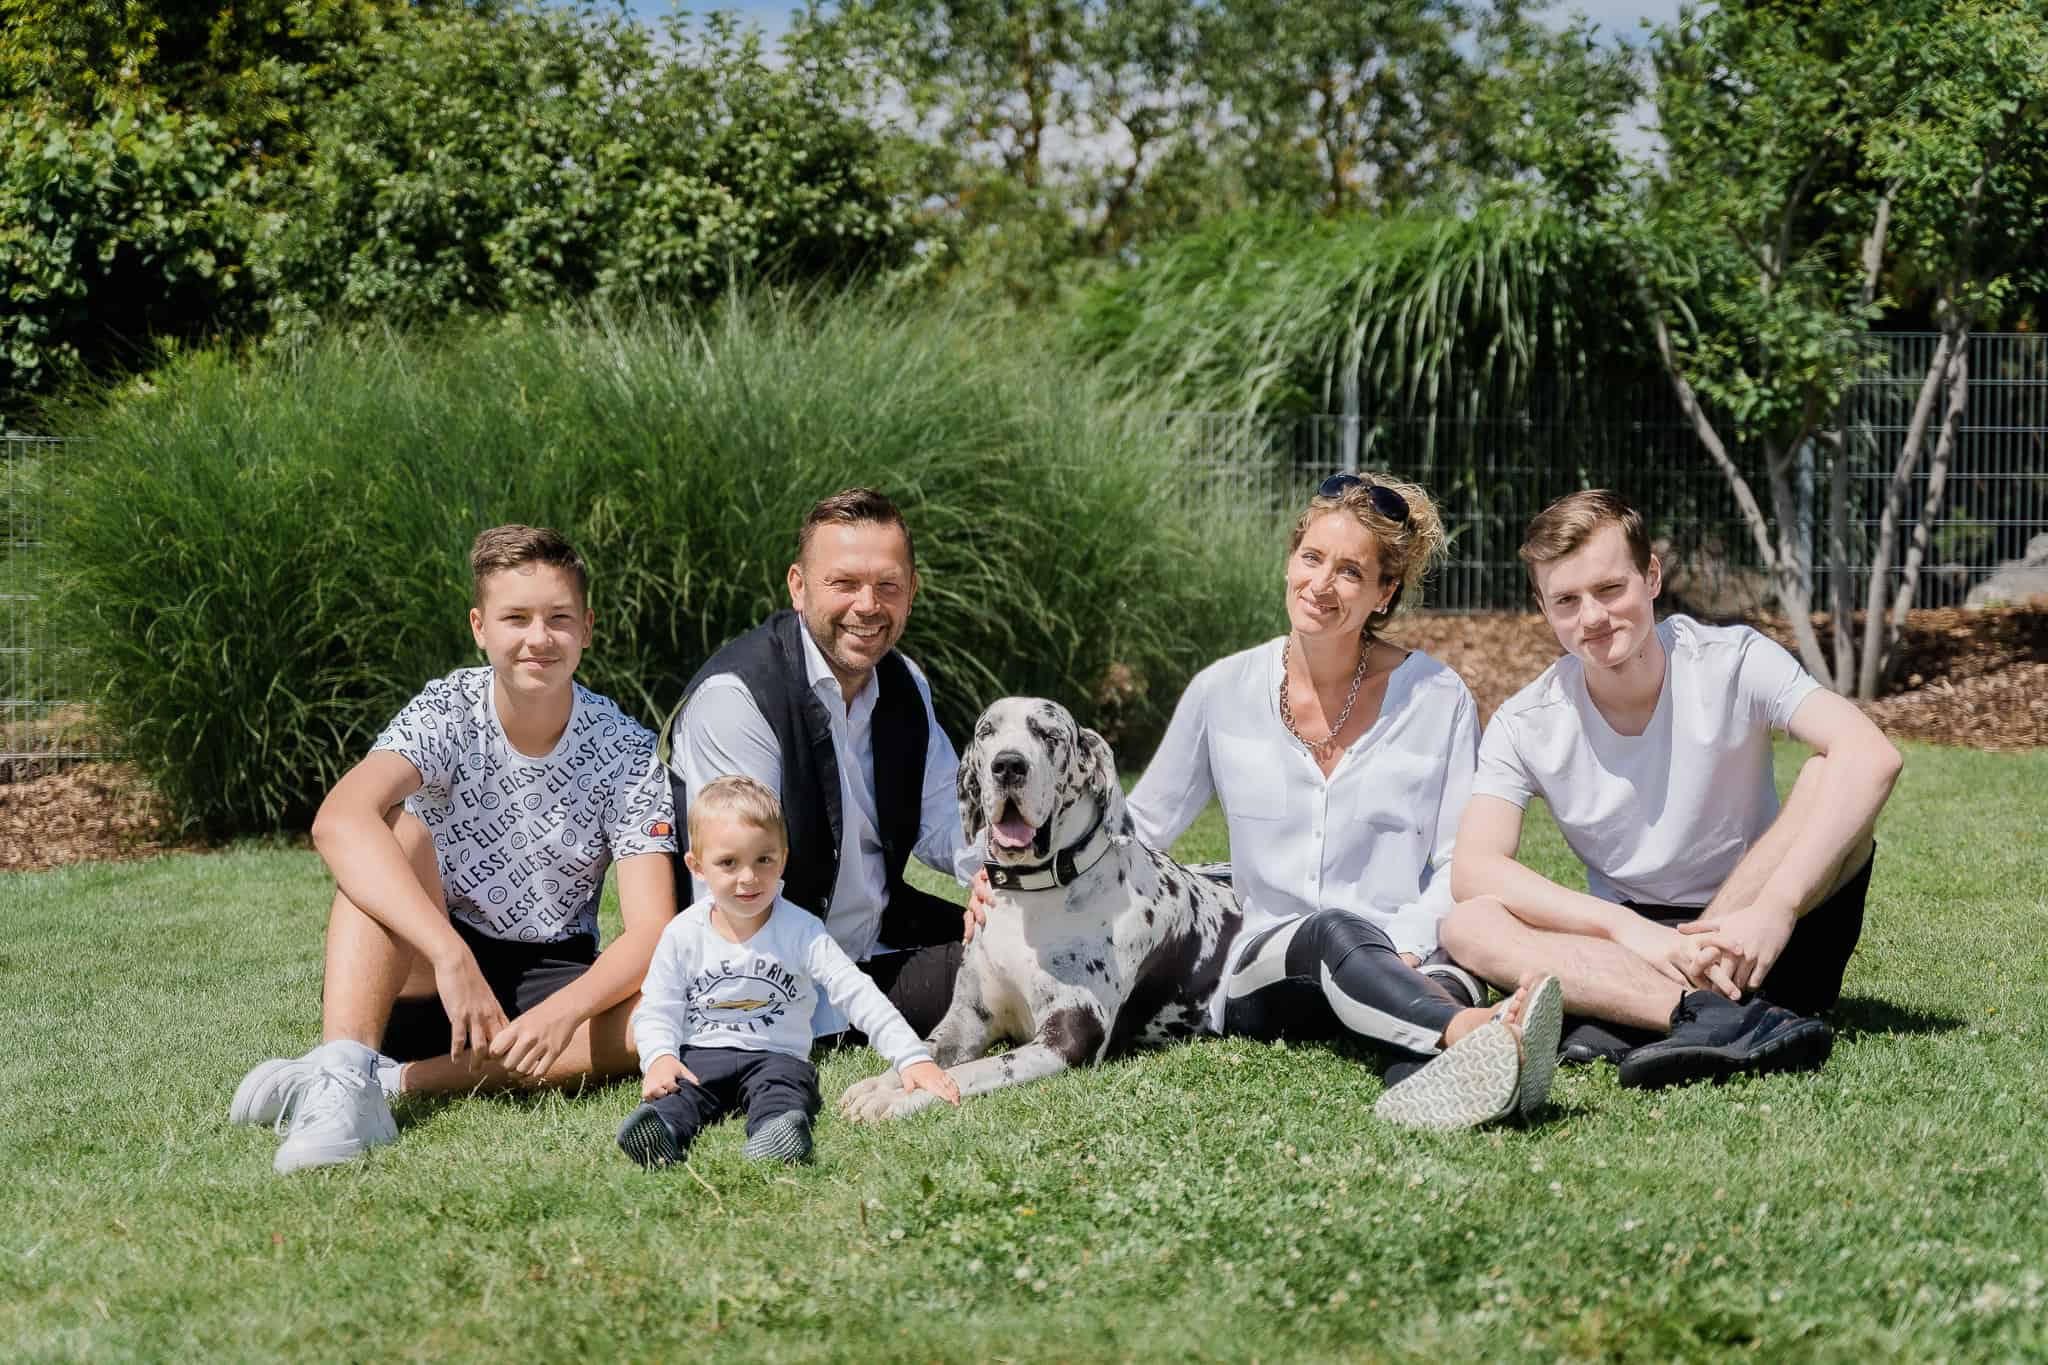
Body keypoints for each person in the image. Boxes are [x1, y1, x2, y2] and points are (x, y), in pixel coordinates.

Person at [971, 472, 1563, 1130]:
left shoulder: (1438, 697)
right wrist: (1014, 868)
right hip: (1266, 963)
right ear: (1290, 559)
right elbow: (1135, 828)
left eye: (1348, 572)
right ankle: (1476, 1029)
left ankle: (1466, 1084)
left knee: (1434, 983)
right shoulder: (1221, 689)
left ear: (1383, 591)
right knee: (1330, 934)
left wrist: (1415, 948)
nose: (1320, 584)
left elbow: (1457, 857)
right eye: (1310, 558)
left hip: (1409, 952)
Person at [229, 525, 678, 1173]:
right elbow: (339, 818)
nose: (538, 638)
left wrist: (565, 1010)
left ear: (587, 627)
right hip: (424, 967)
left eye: (558, 618)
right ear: (479, 626)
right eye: (515, 618)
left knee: (663, 1015)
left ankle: (382, 1080)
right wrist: (449, 953)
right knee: (389, 828)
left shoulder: (626, 749)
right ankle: (346, 1068)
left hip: (552, 973)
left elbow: (653, 927)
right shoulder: (448, 708)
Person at [1443, 490, 1903, 1088]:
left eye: (1610, 589)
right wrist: (1624, 929)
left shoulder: (1732, 659)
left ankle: (1630, 1017)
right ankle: (1696, 1015)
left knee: (1827, 769)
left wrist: (1776, 907)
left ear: (1651, 577)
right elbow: (1474, 868)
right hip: (1638, 945)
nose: (1592, 618)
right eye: (1566, 600)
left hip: (1763, 935)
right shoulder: (1526, 720)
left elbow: (1873, 754)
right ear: (1543, 607)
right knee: (1466, 923)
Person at [660, 488, 977, 1044]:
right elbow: (737, 894)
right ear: (799, 587)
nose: (868, 605)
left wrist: (993, 878)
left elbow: (948, 823)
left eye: (887, 586)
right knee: (1008, 978)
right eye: (844, 584)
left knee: (1039, 940)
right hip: (782, 972)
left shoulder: (906, 683)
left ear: (912, 593)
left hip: (884, 935)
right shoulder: (737, 698)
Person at [617, 775, 960, 1167]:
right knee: (679, 1094)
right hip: (701, 1056)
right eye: (728, 863)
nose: (748, 877)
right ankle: (660, 1131)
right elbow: (658, 1004)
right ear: (697, 866)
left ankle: (774, 1135)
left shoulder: (801, 930)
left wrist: (912, 1058)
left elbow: (856, 992)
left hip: (775, 1056)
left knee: (784, 1090)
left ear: (783, 857)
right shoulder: (682, 933)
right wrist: (658, 1057)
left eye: (764, 860)